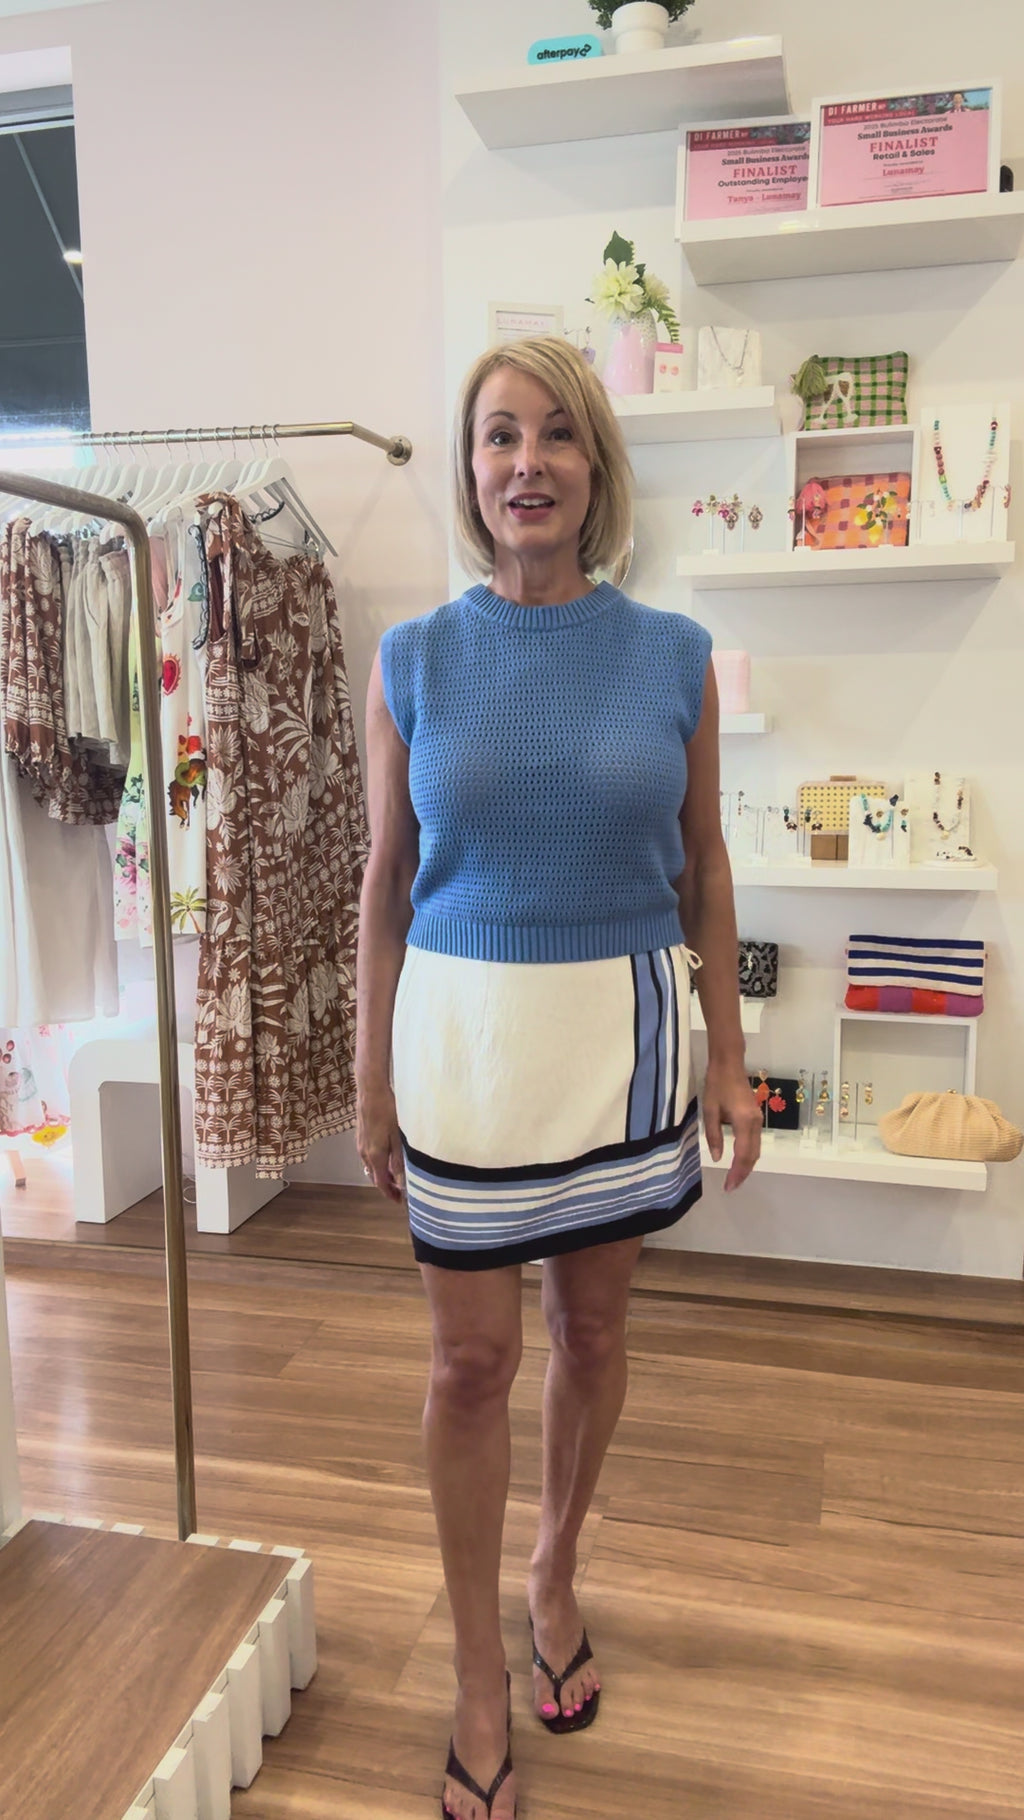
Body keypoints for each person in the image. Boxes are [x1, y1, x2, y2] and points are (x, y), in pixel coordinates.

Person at [355, 335, 761, 1820]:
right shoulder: (413, 659)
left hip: (625, 1037)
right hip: (465, 1041)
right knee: (469, 1364)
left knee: (592, 1330)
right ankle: (478, 1676)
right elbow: (385, 883)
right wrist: (368, 1080)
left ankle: (554, 1567)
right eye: (497, 436)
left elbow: (705, 867)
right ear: (472, 472)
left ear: (597, 465)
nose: (526, 462)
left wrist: (731, 1058)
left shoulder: (674, 656)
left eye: (556, 435)